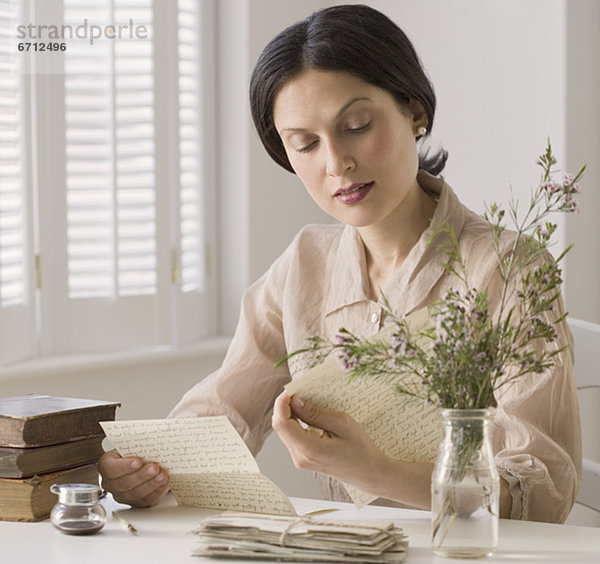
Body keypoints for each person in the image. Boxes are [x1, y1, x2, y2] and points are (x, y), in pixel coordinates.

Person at [98, 4, 581, 523]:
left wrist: (376, 469)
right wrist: (144, 469)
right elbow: (223, 407)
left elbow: (543, 488)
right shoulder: (305, 264)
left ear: (415, 113)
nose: (336, 163)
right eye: (304, 144)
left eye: (355, 125)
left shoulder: (508, 270)